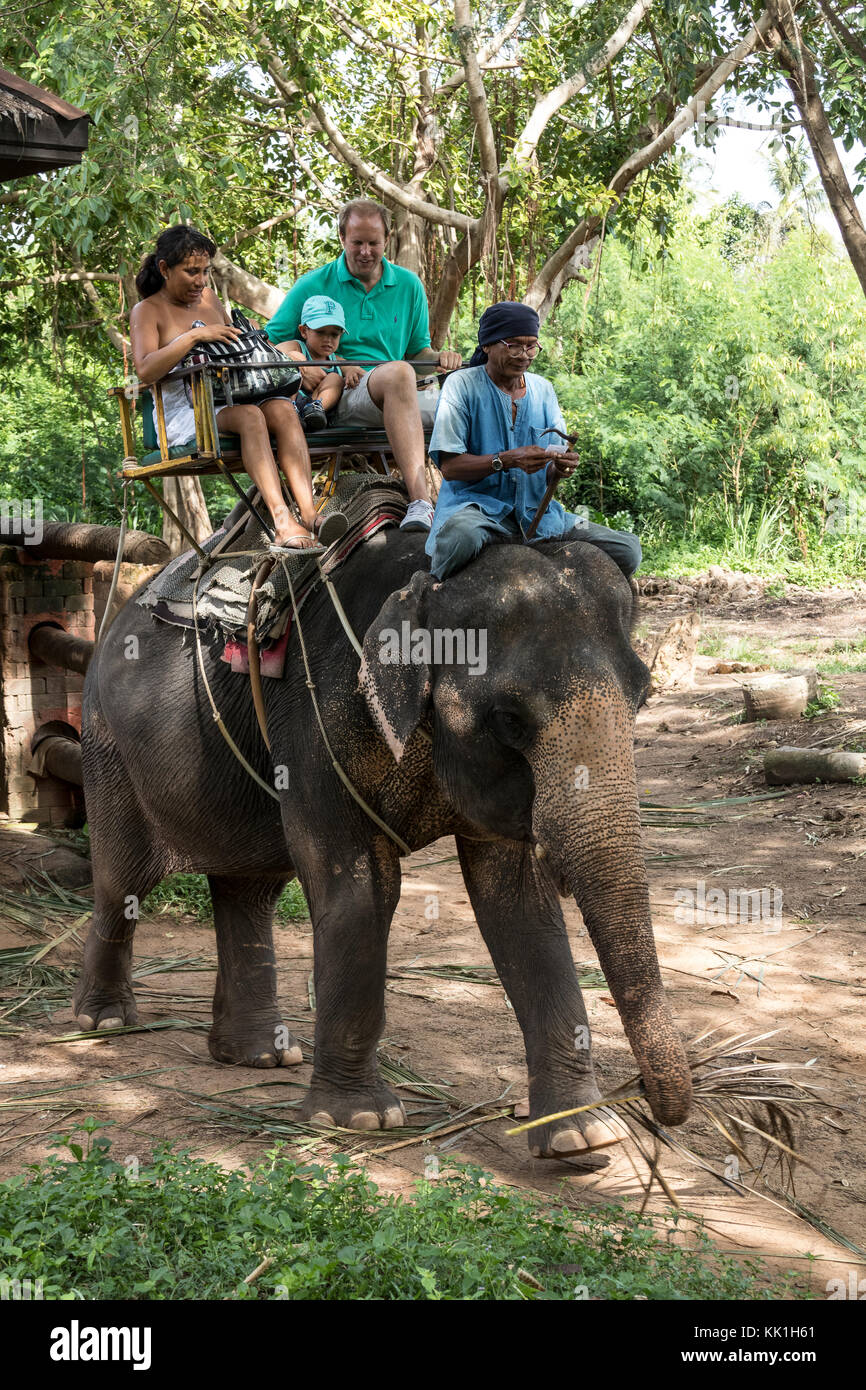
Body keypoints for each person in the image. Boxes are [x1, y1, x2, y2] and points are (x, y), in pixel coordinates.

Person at [265, 199, 462, 532]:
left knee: (467, 396)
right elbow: (268, 343)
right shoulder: (314, 285)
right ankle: (421, 502)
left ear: (387, 239)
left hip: (401, 394)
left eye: (374, 242)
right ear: (342, 238)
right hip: (341, 392)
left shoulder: (409, 285)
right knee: (400, 372)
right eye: (357, 242)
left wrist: (442, 359)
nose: (366, 251)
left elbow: (419, 353)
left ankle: (481, 501)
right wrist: (299, 362)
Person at [130, 224, 321, 550]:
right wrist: (193, 336)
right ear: (164, 269)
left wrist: (272, 349)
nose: (201, 281)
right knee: (250, 417)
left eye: (205, 271)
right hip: (184, 412)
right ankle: (281, 521)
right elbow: (145, 370)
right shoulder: (147, 310)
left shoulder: (208, 297)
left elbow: (235, 348)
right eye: (191, 272)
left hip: (229, 393)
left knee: (282, 409)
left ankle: (311, 515)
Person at [426, 301, 642, 580]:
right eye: (514, 345)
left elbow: (552, 469)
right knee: (460, 538)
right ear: (487, 345)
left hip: (538, 513)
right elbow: (450, 467)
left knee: (628, 549)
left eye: (531, 346)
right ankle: (430, 591)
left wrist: (561, 466)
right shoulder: (461, 386)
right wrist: (507, 460)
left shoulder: (543, 390)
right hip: (479, 513)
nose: (524, 355)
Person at [279, 294, 346, 434]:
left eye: (334, 335)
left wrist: (351, 371)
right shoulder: (298, 347)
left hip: (317, 410)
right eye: (320, 332)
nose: (328, 339)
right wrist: (292, 356)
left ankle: (315, 410)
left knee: (336, 378)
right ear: (304, 331)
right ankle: (292, 411)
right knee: (293, 360)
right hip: (292, 402)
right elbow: (273, 353)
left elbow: (355, 371)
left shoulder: (335, 360)